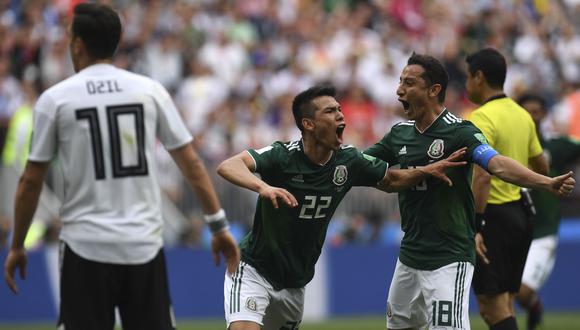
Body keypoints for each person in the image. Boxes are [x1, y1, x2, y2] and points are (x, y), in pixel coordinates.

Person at [3, 3, 240, 330]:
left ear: (77, 45)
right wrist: (219, 227)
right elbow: (192, 164)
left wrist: (17, 245)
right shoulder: (149, 91)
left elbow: (31, 180)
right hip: (142, 245)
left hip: (84, 247)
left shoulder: (55, 100)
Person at [217, 85, 469, 330]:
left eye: (339, 109)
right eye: (329, 111)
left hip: (295, 281)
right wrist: (262, 187)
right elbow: (229, 166)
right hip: (253, 269)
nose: (340, 114)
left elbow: (391, 181)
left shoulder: (349, 161)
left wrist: (426, 171)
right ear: (308, 124)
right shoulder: (282, 156)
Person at [364, 53, 575, 330]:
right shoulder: (398, 134)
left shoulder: (461, 132)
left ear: (433, 90)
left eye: (409, 82)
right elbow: (363, 165)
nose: (399, 89)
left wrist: (546, 182)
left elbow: (496, 164)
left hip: (449, 256)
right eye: (400, 81)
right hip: (410, 256)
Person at [466, 47, 555, 330]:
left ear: (478, 77)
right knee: (504, 304)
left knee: (491, 309)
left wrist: (475, 225)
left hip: (492, 218)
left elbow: (483, 176)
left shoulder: (480, 118)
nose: (467, 84)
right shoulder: (522, 115)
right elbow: (541, 167)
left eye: (468, 77)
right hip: (520, 217)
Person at [515, 93, 580, 330]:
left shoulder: (556, 145)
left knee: (523, 292)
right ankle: (531, 307)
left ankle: (534, 306)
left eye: (536, 111)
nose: (532, 116)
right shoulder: (508, 145)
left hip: (543, 231)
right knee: (506, 293)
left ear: (543, 114)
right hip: (513, 229)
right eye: (526, 111)